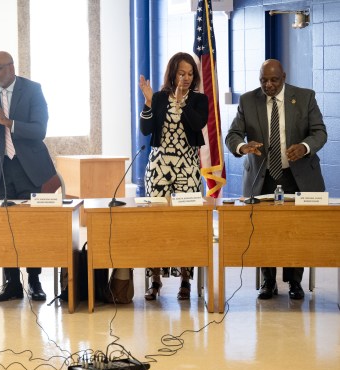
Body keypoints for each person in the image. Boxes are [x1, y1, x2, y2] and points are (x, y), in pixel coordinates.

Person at [225, 59, 327, 300]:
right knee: (263, 231)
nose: (268, 85)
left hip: (297, 176)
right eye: (263, 80)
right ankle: (268, 281)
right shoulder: (248, 101)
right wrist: (242, 147)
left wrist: (304, 147)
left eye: (273, 80)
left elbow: (320, 132)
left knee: (297, 230)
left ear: (284, 76)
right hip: (263, 176)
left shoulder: (305, 97)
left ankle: (295, 282)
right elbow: (233, 134)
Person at [0, 51, 56, 302]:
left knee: (31, 227)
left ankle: (34, 280)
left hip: (28, 167)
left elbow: (39, 130)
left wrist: (7, 121)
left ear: (11, 67)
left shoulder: (32, 90)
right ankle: (10, 284)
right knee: (3, 228)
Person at [138, 52, 209, 301]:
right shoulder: (157, 98)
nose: (186, 78)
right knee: (155, 225)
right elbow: (146, 129)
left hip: (187, 166)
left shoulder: (199, 100)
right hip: (159, 165)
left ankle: (186, 280)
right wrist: (147, 104)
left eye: (190, 74)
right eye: (182, 73)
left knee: (186, 224)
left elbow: (197, 124)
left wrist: (181, 104)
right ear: (172, 74)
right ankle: (155, 280)